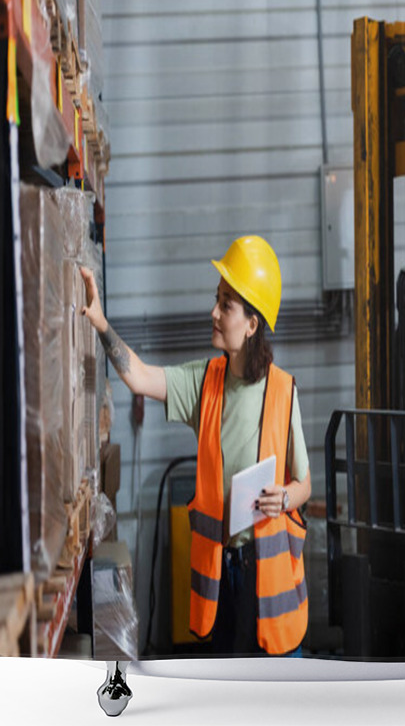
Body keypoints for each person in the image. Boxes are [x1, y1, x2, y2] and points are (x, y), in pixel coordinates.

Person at [80, 235, 311, 657]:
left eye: (226, 304)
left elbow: (305, 483)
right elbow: (140, 377)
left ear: (252, 324)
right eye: (217, 299)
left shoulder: (283, 392)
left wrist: (286, 496)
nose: (214, 312)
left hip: (271, 585)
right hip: (224, 581)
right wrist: (100, 323)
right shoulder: (204, 382)